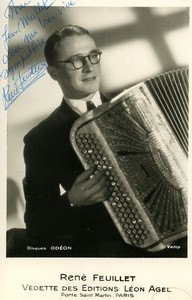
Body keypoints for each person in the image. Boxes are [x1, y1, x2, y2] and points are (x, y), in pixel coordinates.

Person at [20, 25, 186, 258]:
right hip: (119, 249)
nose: (89, 67)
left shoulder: (140, 104)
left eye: (93, 56)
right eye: (76, 60)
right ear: (53, 73)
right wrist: (71, 200)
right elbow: (36, 224)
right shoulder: (41, 139)